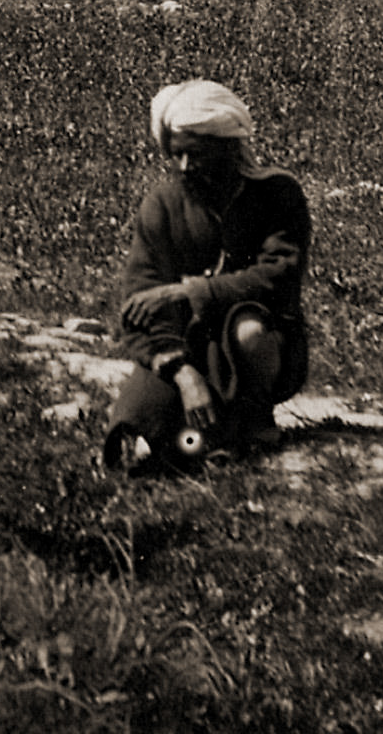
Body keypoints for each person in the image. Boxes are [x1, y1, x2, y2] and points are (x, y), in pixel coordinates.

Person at [103, 79, 312, 473]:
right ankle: (200, 434)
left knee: (248, 331)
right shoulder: (162, 205)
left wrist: (192, 292)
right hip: (186, 348)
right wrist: (182, 374)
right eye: (177, 155)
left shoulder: (277, 194)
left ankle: (254, 419)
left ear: (229, 147)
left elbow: (278, 275)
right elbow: (141, 301)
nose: (185, 167)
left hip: (255, 343)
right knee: (140, 430)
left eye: (196, 155)